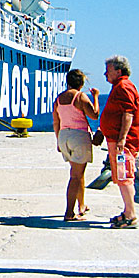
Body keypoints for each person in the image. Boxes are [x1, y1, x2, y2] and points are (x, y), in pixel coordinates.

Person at [95, 55, 139, 229]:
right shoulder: (119, 86)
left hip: (123, 143)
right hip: (115, 140)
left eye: (108, 71)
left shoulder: (124, 86)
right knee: (121, 177)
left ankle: (130, 215)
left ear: (118, 71)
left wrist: (122, 139)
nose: (105, 74)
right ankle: (127, 212)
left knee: (125, 177)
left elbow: (128, 114)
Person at [52, 69, 100, 221]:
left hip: (64, 136)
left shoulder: (59, 99)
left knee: (78, 173)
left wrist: (58, 140)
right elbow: (94, 115)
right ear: (81, 83)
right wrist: (96, 97)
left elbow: (56, 122)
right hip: (79, 136)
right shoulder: (80, 97)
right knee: (75, 176)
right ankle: (69, 213)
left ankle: (82, 205)